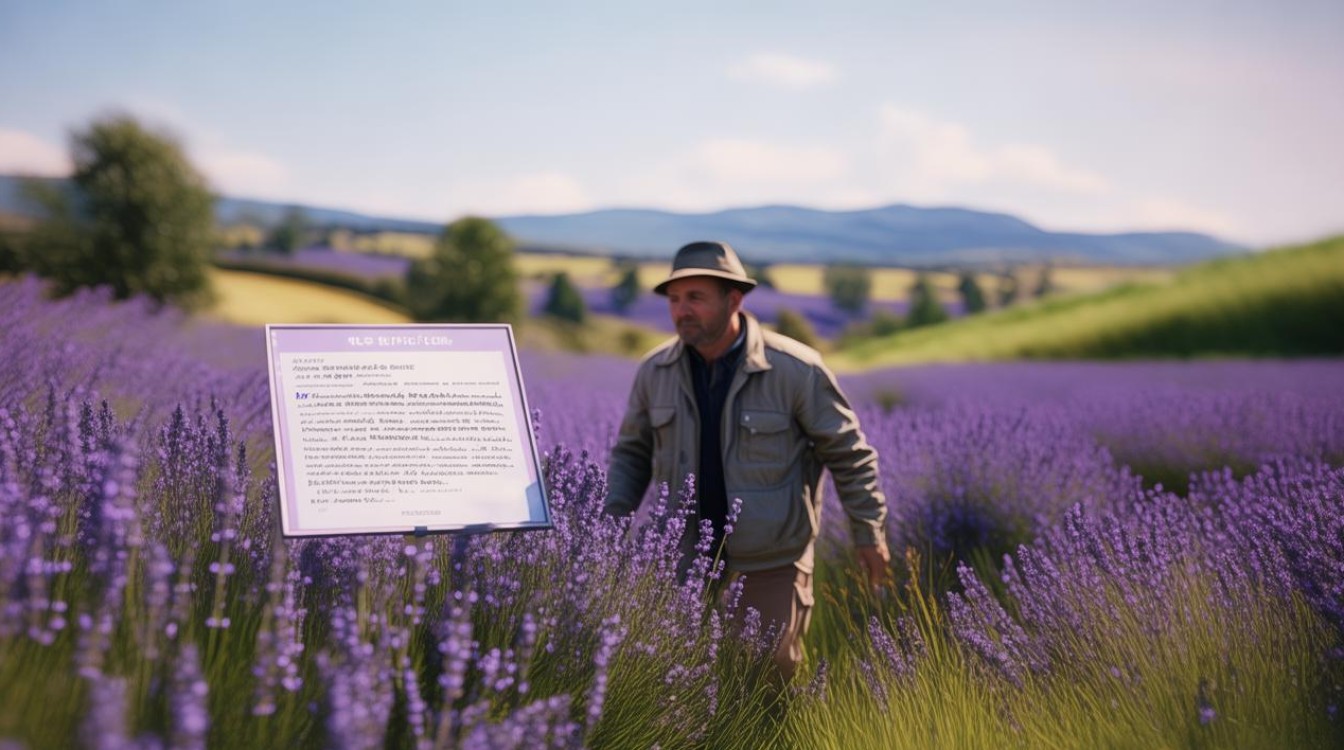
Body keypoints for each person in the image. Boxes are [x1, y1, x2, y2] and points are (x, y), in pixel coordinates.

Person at [604, 240, 889, 681]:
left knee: (769, 671)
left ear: (733, 300)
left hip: (771, 555)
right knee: (672, 677)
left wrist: (867, 532)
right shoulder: (654, 372)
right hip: (683, 552)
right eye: (675, 300)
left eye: (695, 298)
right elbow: (631, 453)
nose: (681, 311)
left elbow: (850, 455)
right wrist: (606, 525)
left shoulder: (795, 370)